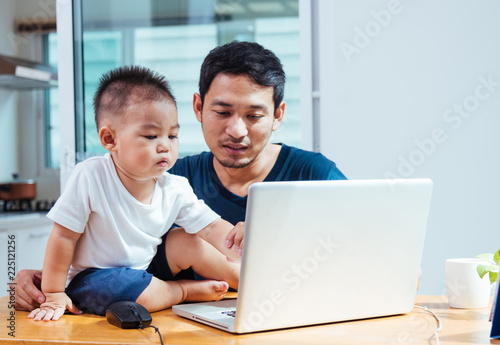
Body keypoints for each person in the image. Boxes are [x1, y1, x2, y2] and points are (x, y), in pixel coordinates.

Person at [12, 41, 347, 312]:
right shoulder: (166, 173)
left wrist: (256, 243)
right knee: (184, 242)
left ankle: (254, 282)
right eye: (222, 111)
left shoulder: (314, 175)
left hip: (283, 312)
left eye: (254, 115)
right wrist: (42, 283)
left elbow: (364, 251)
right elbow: (77, 245)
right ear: (199, 108)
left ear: (277, 115)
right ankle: (194, 290)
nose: (236, 130)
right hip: (168, 317)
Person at [26, 65, 243, 321]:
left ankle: (249, 281)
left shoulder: (175, 187)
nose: (165, 145)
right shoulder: (90, 176)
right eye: (151, 135)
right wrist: (53, 292)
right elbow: (63, 237)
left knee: (190, 240)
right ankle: (182, 292)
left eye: (172, 135)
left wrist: (239, 241)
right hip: (96, 278)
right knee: (131, 292)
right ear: (110, 140)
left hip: (146, 269)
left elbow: (210, 228)